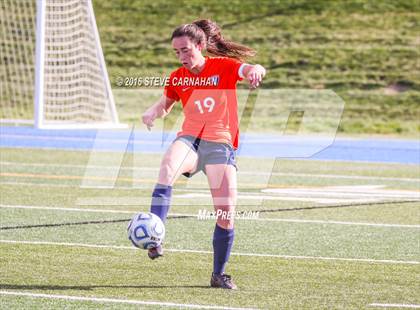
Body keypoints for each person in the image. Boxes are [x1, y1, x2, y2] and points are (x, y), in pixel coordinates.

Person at [142, 19, 266, 290]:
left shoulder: (223, 67)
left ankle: (218, 275)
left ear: (200, 46)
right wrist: (152, 112)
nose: (181, 56)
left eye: (185, 50)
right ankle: (155, 237)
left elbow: (248, 69)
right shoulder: (177, 76)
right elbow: (166, 104)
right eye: (176, 52)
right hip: (191, 140)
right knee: (167, 167)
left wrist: (257, 69)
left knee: (226, 212)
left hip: (220, 143)